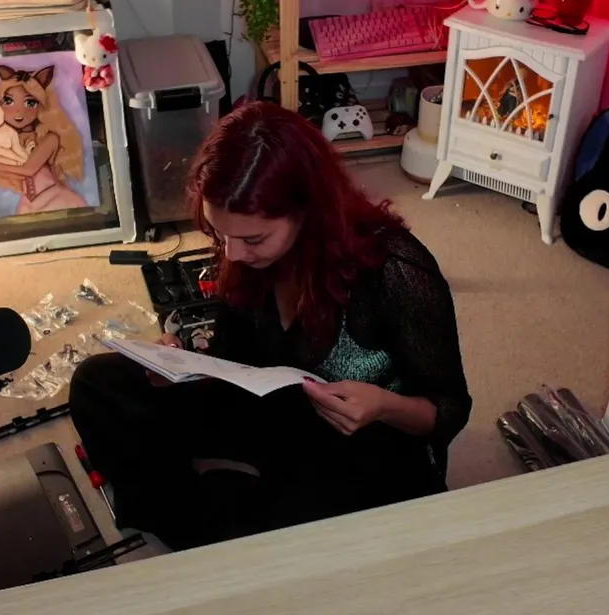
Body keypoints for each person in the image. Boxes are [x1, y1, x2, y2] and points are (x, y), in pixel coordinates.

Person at [69, 101, 471, 550]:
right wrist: (180, 364)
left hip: (355, 440)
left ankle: (215, 510)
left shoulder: (395, 269)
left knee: (272, 533)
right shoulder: (246, 250)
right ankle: (201, 505)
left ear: (308, 210)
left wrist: (382, 406)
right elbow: (234, 359)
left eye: (253, 239)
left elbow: (450, 408)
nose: (233, 253)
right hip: (267, 408)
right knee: (97, 382)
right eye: (221, 235)